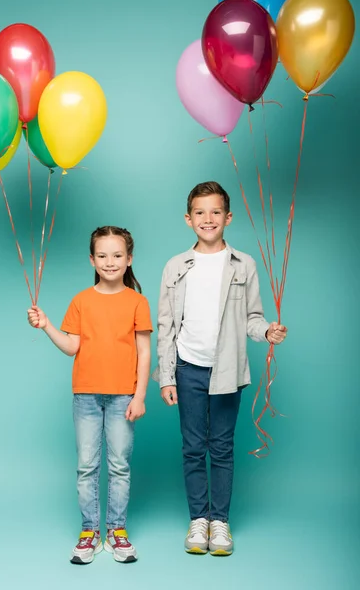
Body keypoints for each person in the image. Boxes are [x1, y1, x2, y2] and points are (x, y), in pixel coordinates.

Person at [153, 182, 287, 556]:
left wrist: (267, 331)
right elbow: (165, 325)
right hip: (187, 368)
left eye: (215, 212)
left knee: (222, 447)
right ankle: (198, 519)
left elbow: (253, 317)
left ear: (228, 217)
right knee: (193, 447)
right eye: (200, 212)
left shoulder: (243, 264)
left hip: (227, 370)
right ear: (188, 219)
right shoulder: (175, 266)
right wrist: (167, 375)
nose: (207, 219)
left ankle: (220, 521)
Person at [27, 226, 152, 565]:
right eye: (102, 256)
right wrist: (47, 325)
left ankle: (116, 530)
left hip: (123, 397)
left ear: (129, 260)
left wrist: (139, 396)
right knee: (86, 467)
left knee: (119, 466)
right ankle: (89, 532)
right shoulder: (81, 300)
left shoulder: (137, 301)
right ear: (92, 259)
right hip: (85, 397)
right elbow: (72, 346)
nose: (109, 262)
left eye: (117, 255)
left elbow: (144, 351)